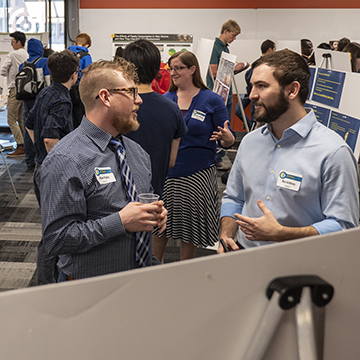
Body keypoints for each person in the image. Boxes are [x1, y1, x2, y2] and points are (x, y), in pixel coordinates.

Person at [219, 49, 359, 253]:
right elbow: (234, 198)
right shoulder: (250, 142)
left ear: (292, 91)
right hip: (243, 255)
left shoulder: (333, 152)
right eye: (252, 86)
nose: (252, 95)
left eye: (262, 86)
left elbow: (343, 225)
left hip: (299, 264)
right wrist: (226, 235)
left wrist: (281, 233)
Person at [40, 58, 167, 281]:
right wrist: (120, 222)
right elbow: (56, 239)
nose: (139, 100)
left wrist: (153, 217)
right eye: (131, 92)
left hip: (140, 278)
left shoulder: (137, 153)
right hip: (89, 289)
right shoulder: (65, 158)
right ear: (105, 97)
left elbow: (137, 212)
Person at [154, 51, 235, 261]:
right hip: (167, 175)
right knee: (159, 228)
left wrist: (227, 138)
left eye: (178, 68)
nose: (173, 73)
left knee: (190, 230)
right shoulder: (165, 99)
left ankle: (186, 274)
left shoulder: (212, 100)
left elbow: (228, 139)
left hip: (197, 175)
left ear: (192, 69)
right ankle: (152, 271)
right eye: (171, 68)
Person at [25, 49, 79, 285]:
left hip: (40, 166)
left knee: (52, 227)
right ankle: (45, 287)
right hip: (50, 171)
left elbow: (29, 124)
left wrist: (40, 153)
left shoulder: (46, 92)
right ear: (75, 74)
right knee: (52, 232)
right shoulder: (62, 99)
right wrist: (59, 166)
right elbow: (49, 138)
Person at [122, 39, 187, 197]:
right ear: (157, 67)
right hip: (153, 198)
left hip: (118, 200)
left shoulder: (117, 106)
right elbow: (171, 162)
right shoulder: (172, 109)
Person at [206, 20, 249, 170]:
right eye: (233, 35)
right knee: (219, 125)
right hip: (217, 92)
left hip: (226, 91)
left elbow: (225, 74)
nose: (234, 38)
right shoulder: (215, 48)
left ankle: (219, 156)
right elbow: (214, 72)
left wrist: (238, 69)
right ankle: (216, 158)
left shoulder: (225, 48)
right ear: (225, 31)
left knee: (226, 125)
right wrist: (233, 67)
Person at [20, 38, 51, 169]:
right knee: (42, 127)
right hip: (40, 98)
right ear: (40, 49)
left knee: (28, 128)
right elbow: (48, 81)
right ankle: (41, 158)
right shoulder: (44, 62)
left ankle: (29, 160)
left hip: (26, 99)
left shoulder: (23, 64)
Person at [234, 39, 276, 131]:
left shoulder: (255, 64)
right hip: (261, 100)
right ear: (270, 50)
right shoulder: (265, 65)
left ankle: (250, 126)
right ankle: (250, 126)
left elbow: (248, 77)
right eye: (274, 50)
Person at [0, 31, 28, 157]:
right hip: (25, 90)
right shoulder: (27, 54)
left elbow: (2, 70)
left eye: (12, 42)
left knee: (11, 119)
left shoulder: (13, 54)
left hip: (14, 89)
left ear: (18, 42)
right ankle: (26, 145)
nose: (11, 44)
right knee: (21, 119)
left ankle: (20, 145)